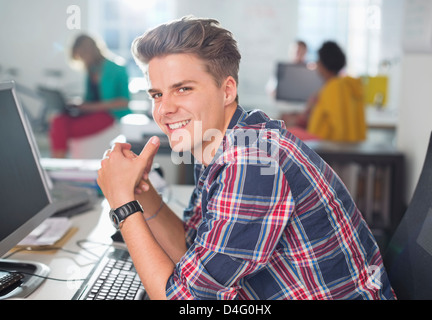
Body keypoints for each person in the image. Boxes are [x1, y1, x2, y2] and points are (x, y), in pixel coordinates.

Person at [97, 16, 395, 300]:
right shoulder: (229, 142)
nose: (164, 110)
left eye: (183, 89)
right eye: (157, 95)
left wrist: (123, 204)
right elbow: (190, 250)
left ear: (227, 91)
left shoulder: (251, 161)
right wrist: (140, 192)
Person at [49, 34, 131, 158]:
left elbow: (124, 102)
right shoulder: (91, 69)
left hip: (109, 115)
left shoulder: (117, 68)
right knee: (58, 120)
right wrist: (80, 105)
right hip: (92, 113)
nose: (81, 59)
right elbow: (89, 99)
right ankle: (58, 162)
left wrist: (93, 107)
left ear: (88, 51)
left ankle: (58, 162)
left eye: (81, 55)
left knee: (60, 128)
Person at [288, 41, 367, 142]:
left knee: (285, 134)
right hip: (350, 147)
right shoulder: (349, 85)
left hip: (327, 147)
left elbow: (339, 129)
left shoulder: (333, 88)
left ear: (322, 64)